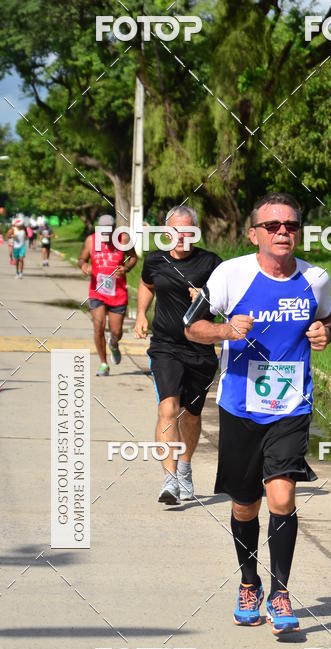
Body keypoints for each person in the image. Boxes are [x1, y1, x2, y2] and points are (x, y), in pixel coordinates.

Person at [184, 192, 331, 636]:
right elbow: (192, 326)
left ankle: (281, 591)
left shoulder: (316, 279)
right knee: (245, 505)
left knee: (282, 498)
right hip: (240, 407)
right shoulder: (230, 275)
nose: (283, 232)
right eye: (272, 226)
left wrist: (324, 332)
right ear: (254, 234)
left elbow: (329, 319)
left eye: (290, 225)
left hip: (290, 406)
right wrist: (224, 329)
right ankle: (248, 583)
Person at [134, 205, 222, 504]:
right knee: (168, 409)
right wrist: (140, 314)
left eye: (187, 231)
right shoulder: (155, 260)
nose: (181, 236)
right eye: (175, 230)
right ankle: (169, 481)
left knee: (191, 415)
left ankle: (184, 467)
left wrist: (207, 299)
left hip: (201, 351)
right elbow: (147, 284)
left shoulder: (211, 264)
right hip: (165, 347)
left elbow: (231, 303)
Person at [78, 214, 137, 376]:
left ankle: (114, 343)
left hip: (118, 293)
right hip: (97, 291)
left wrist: (126, 268)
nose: (104, 237)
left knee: (116, 331)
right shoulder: (91, 240)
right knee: (98, 326)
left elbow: (133, 258)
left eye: (107, 234)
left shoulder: (123, 239)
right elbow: (82, 258)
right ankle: (103, 363)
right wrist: (83, 265)